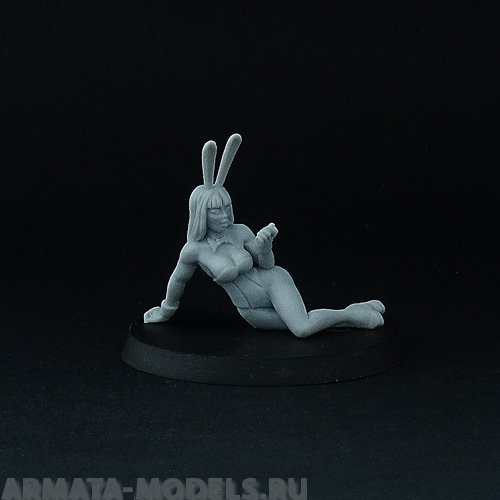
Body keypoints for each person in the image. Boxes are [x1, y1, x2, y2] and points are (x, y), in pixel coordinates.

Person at [144, 133, 385, 338]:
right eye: (216, 211)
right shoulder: (194, 250)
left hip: (271, 283)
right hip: (250, 311)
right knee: (306, 324)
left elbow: (267, 265)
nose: (225, 215)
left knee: (302, 328)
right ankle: (355, 311)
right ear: (200, 214)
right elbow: (178, 281)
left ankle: (352, 314)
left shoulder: (240, 231)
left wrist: (264, 247)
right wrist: (166, 310)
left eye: (227, 207)